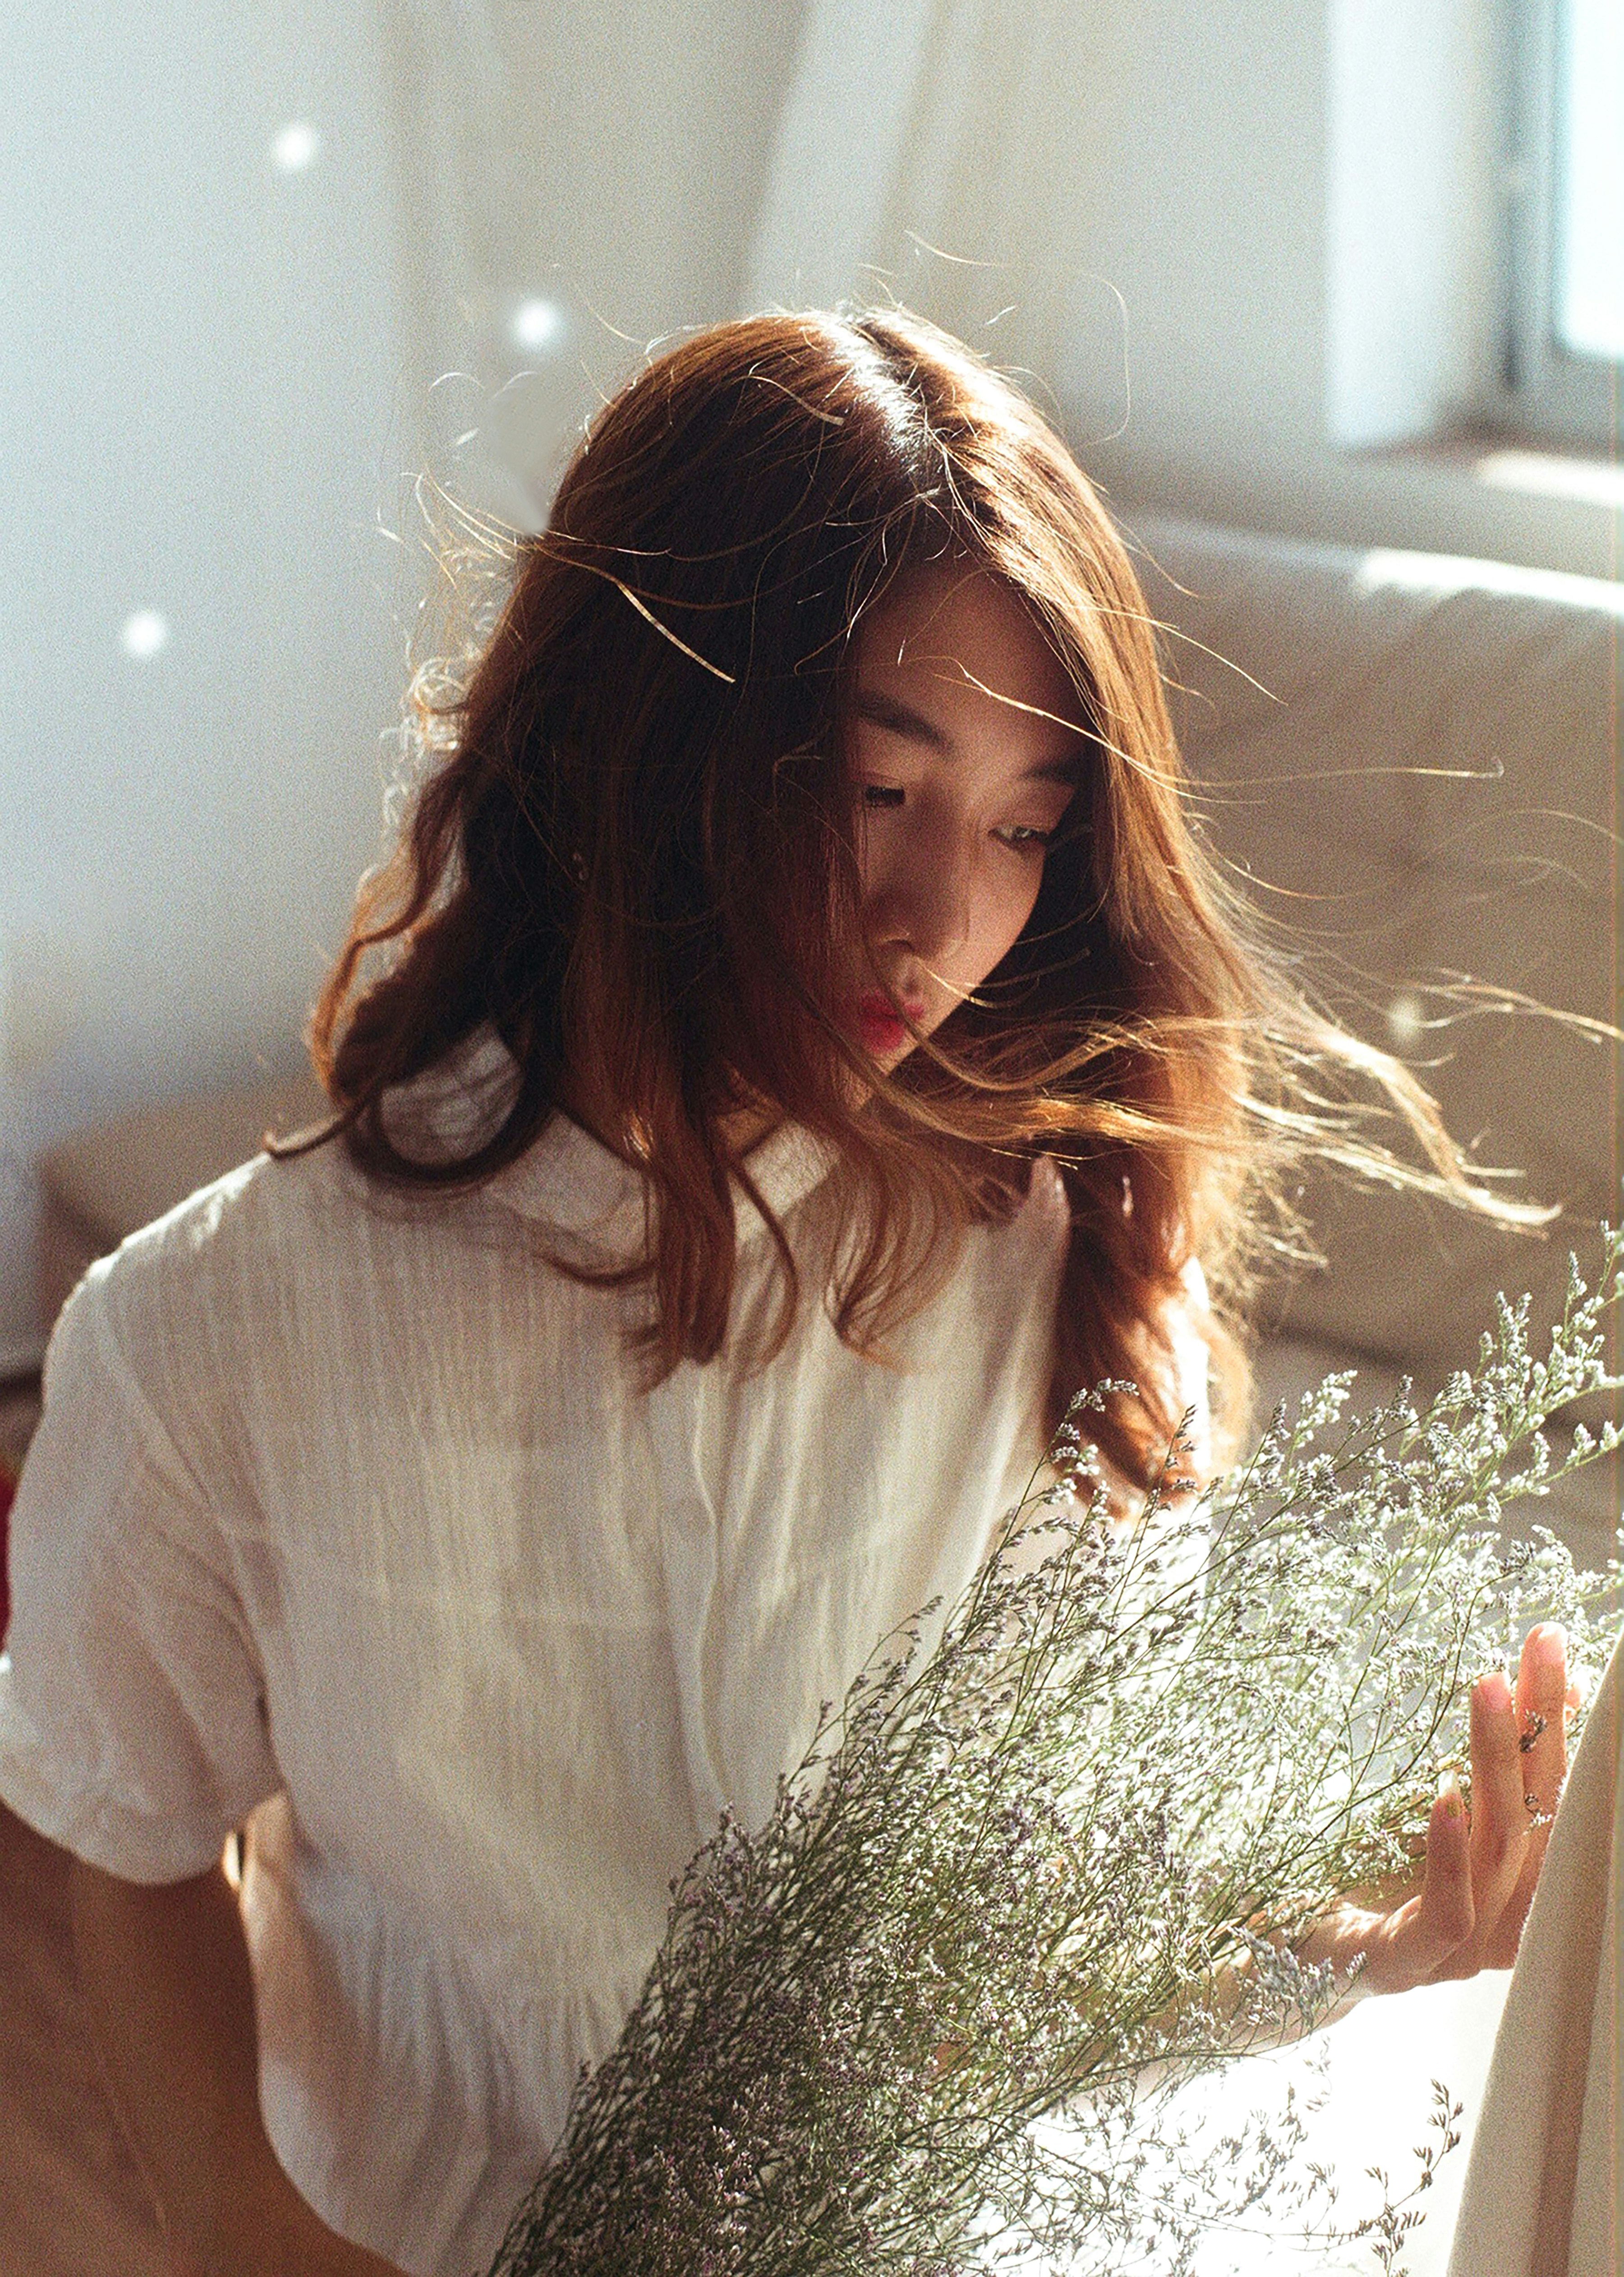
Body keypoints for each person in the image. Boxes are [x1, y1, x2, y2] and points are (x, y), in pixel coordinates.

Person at [0, 309, 1580, 2277]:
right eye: (873, 785)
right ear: (635, 739)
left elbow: (1011, 1946)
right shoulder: (211, 1337)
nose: (944, 919)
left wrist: (1375, 1945)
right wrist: (238, 2221)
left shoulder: (1049, 1262)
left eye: (1022, 830)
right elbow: (132, 1830)